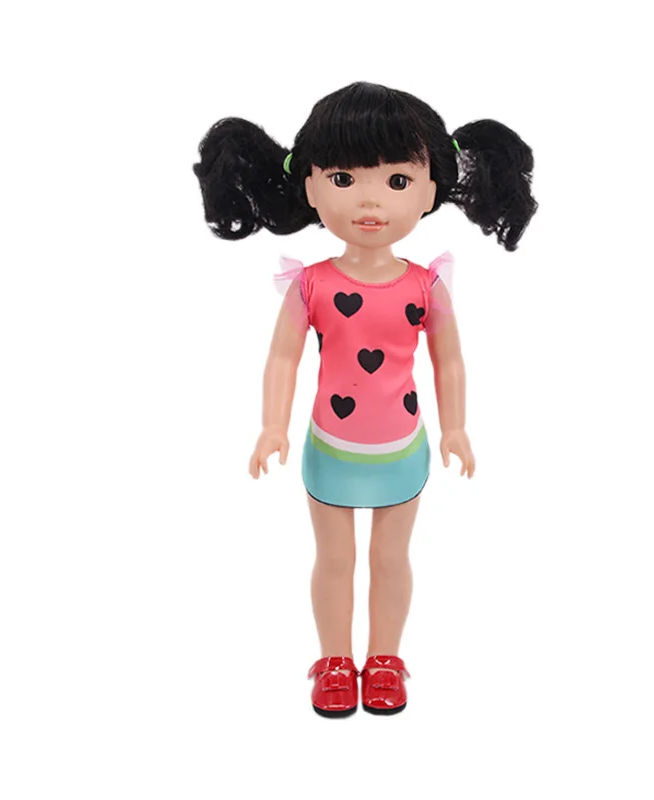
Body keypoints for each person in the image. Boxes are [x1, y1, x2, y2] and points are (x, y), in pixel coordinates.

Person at [193, 81, 537, 716]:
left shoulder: (426, 285)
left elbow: (449, 360)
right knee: (333, 559)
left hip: (402, 449)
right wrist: (272, 426)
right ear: (310, 186)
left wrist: (456, 428)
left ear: (432, 190)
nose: (370, 200)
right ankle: (333, 661)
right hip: (330, 448)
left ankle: (384, 660)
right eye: (344, 179)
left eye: (398, 181)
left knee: (390, 558)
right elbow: (283, 358)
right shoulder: (312, 284)